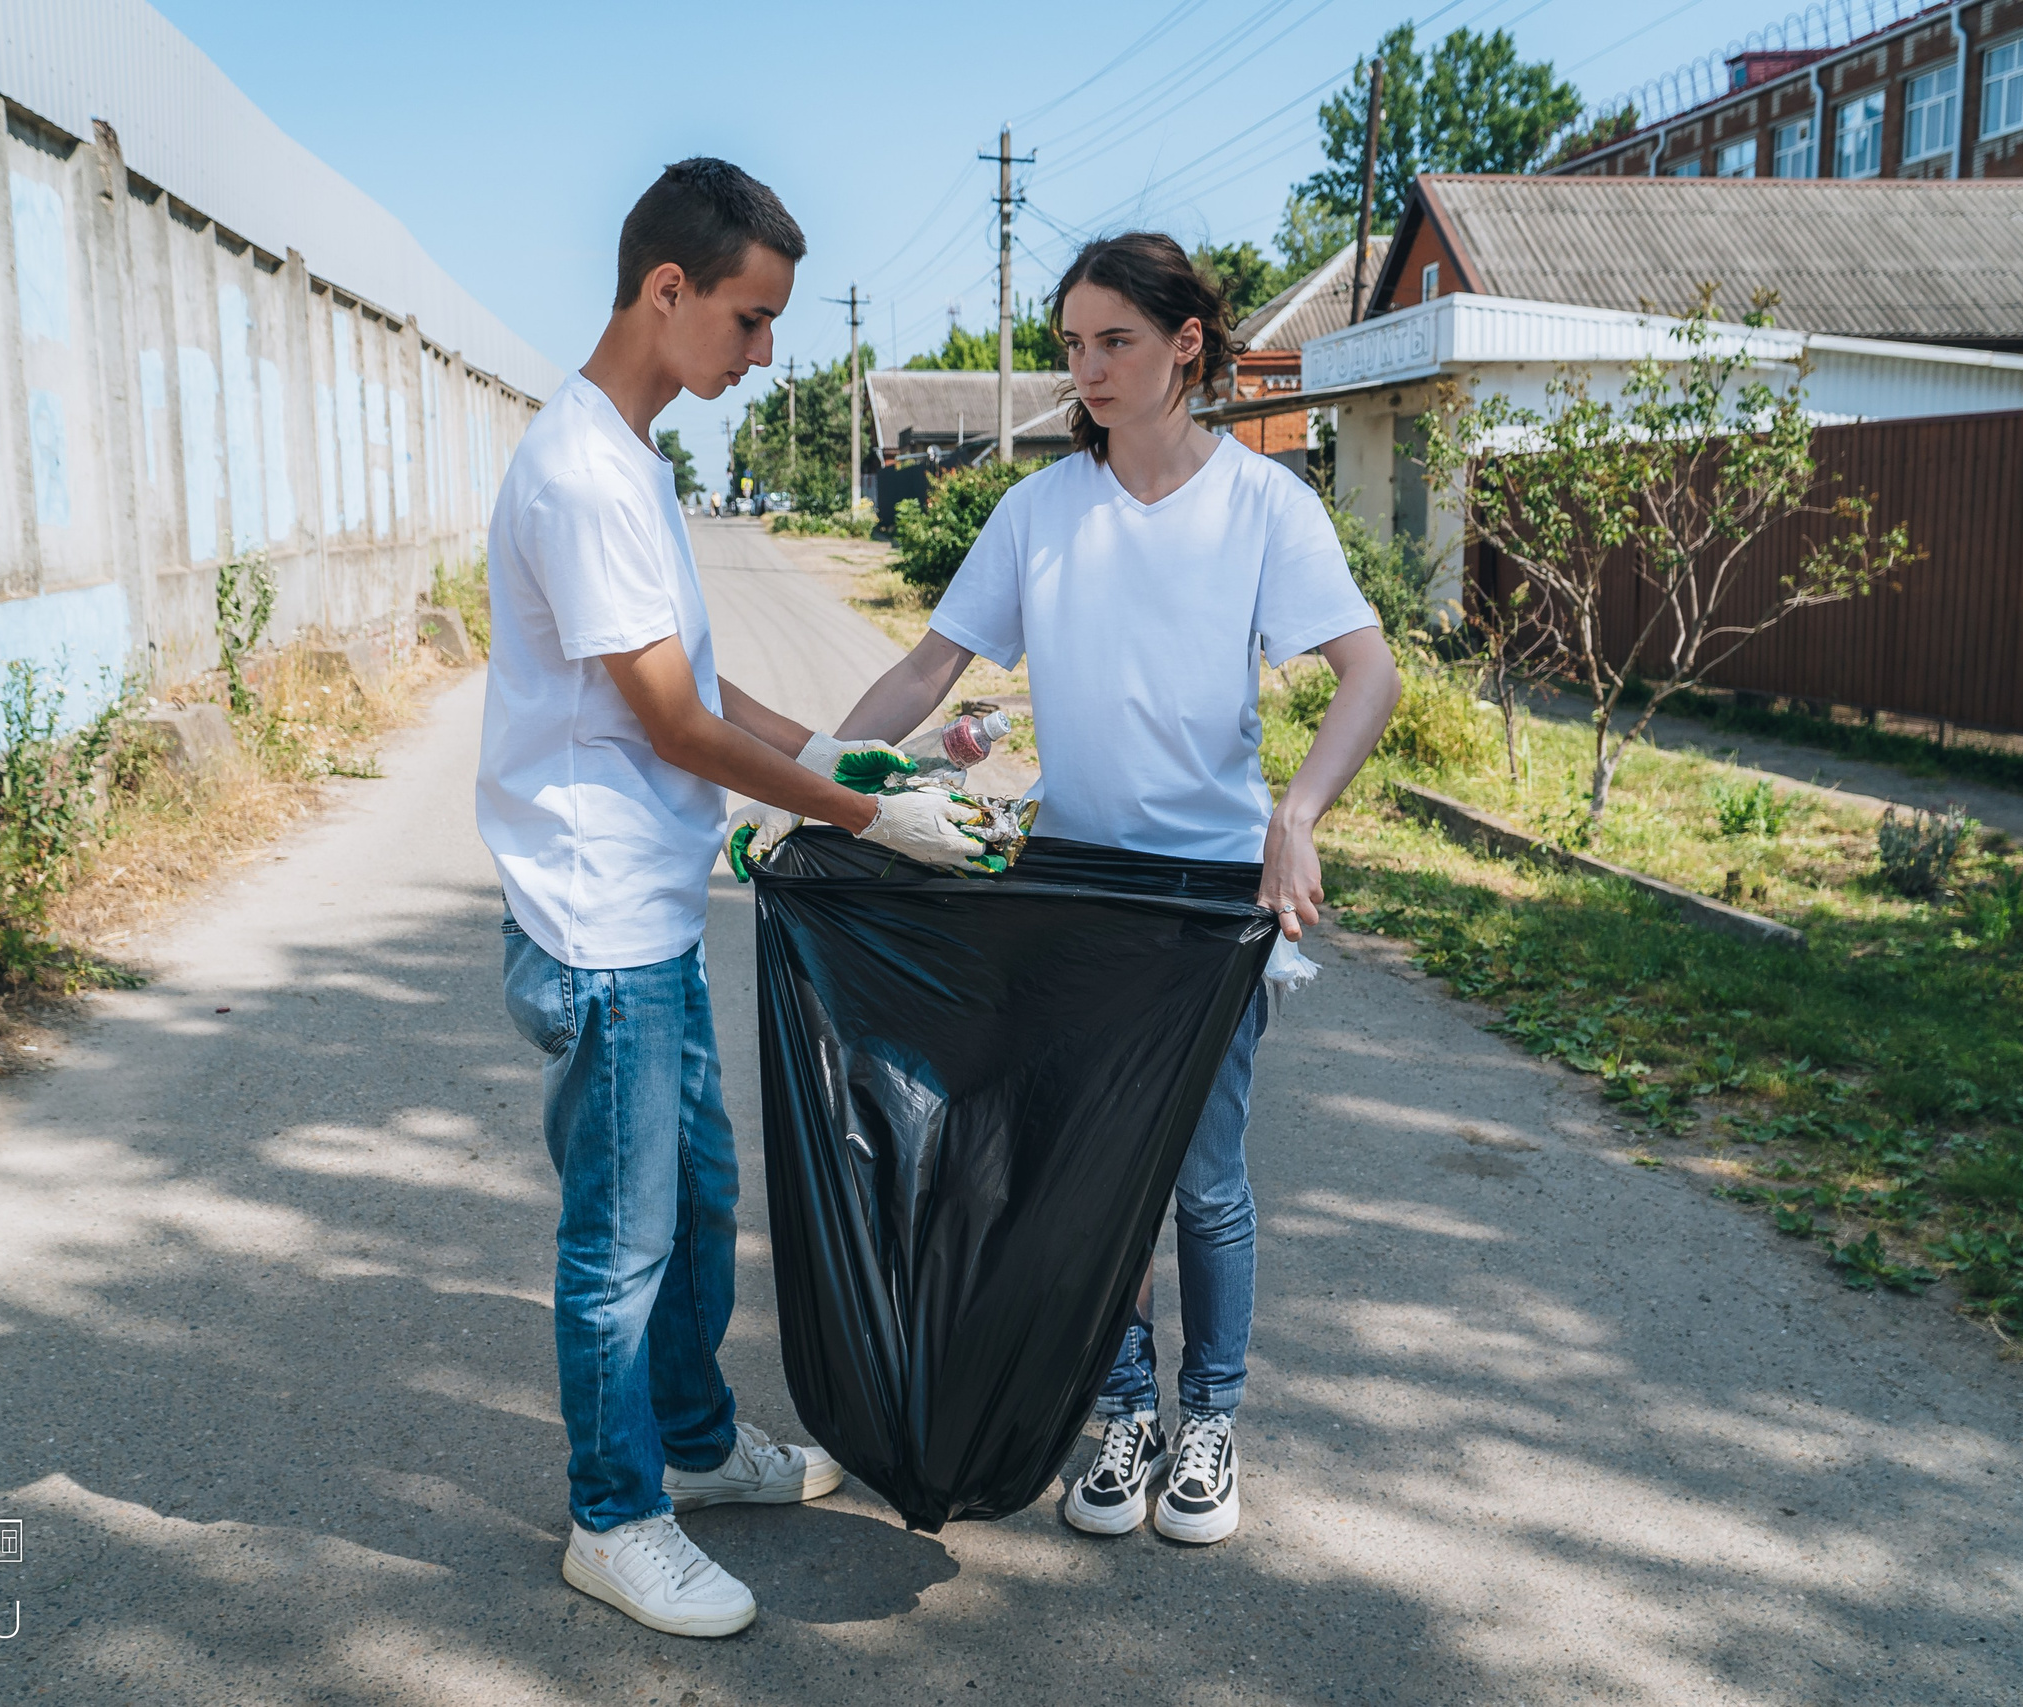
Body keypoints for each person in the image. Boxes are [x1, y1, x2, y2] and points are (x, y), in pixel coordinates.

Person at [475, 158, 987, 1639]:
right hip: (597, 924)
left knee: (696, 1204)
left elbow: (700, 683)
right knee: (623, 1243)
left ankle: (692, 1448)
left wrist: (835, 752)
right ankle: (614, 1514)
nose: (762, 356)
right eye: (752, 322)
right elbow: (669, 728)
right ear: (668, 290)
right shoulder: (579, 471)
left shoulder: (631, 458)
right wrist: (867, 817)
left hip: (652, 907)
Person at [832, 232, 1401, 1545]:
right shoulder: (1040, 514)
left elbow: (1369, 675)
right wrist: (815, 776)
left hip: (1206, 908)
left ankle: (1210, 1421)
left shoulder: (1264, 509)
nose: (1085, 369)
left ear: (1185, 345)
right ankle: (1125, 1410)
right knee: (1087, 1175)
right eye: (1073, 345)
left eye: (1114, 342)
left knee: (1201, 1179)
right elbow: (928, 674)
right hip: (1071, 892)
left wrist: (1296, 816)